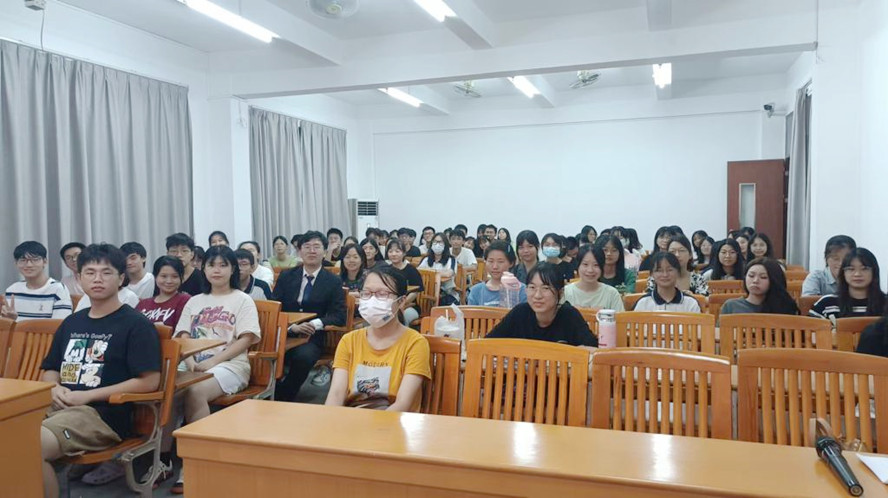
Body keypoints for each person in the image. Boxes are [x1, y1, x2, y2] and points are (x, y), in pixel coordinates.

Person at [39, 243, 161, 498]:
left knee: (30, 445)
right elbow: (50, 368)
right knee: (10, 430)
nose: (97, 279)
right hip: (59, 406)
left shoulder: (136, 325)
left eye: (106, 272)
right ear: (80, 278)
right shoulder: (73, 322)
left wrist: (88, 395)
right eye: (90, 272)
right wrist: (54, 387)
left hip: (101, 416)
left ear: (121, 278)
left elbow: (149, 381)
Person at [172, 245, 261, 493]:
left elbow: (246, 339)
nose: (217, 270)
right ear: (203, 268)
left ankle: (197, 463)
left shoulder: (242, 300)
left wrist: (213, 362)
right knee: (166, 388)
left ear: (233, 269)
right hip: (191, 362)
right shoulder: (194, 301)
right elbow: (182, 336)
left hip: (231, 365)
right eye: (211, 264)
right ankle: (161, 459)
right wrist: (191, 362)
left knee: (195, 390)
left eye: (223, 265)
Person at [325, 266, 431, 411]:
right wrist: (330, 419)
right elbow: (336, 395)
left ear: (401, 301)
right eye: (366, 293)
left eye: (382, 294)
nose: (372, 300)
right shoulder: (349, 340)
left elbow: (403, 404)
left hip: (393, 420)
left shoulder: (415, 343)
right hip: (352, 418)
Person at [273, 231, 347, 401]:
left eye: (316, 247)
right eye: (307, 247)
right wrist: (291, 327)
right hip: (284, 333)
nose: (312, 251)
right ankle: (269, 390)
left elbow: (339, 315)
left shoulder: (333, 281)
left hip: (311, 337)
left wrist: (315, 323)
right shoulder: (286, 276)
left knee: (304, 356)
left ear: (325, 251)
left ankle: (283, 396)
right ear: (299, 251)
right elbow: (275, 307)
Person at [486, 263, 597, 347]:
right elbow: (487, 342)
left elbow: (593, 348)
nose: (537, 295)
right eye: (532, 287)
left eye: (546, 288)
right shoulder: (520, 313)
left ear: (560, 292)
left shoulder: (570, 315)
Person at [2, 241, 72, 322]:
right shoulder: (12, 290)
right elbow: (6, 325)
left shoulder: (58, 289)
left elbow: (60, 325)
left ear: (45, 261)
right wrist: (9, 320)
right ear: (16, 263)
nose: (29, 265)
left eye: (35, 260)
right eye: (23, 260)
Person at [809, 248, 885, 321]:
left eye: (864, 269)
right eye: (851, 269)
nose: (857, 274)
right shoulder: (826, 303)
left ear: (874, 272)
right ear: (843, 273)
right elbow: (809, 329)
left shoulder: (885, 303)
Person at [720, 258, 799, 316]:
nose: (755, 281)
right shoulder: (731, 305)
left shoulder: (784, 307)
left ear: (774, 281)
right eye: (751, 276)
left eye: (763, 277)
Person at [633, 253, 702, 312]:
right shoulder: (643, 303)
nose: (665, 275)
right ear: (652, 274)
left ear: (678, 272)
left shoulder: (691, 303)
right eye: (659, 271)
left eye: (670, 270)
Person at [562, 245, 624, 310]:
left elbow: (620, 316)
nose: (590, 270)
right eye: (585, 264)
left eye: (596, 265)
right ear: (578, 265)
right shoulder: (566, 293)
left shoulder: (612, 294)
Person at [136, 256, 191, 328]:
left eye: (174, 276)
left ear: (181, 278)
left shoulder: (186, 301)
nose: (169, 281)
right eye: (164, 276)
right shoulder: (142, 304)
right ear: (155, 277)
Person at [467, 241, 527, 307]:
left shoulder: (522, 290)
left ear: (511, 263)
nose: (495, 266)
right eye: (491, 261)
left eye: (500, 262)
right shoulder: (476, 291)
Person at [384, 240, 423, 325]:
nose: (393, 254)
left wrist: (401, 304)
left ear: (404, 253)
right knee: (381, 318)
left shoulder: (411, 270)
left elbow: (415, 292)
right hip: (389, 307)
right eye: (390, 251)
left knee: (402, 317)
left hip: (409, 306)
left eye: (397, 251)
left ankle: (403, 334)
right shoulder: (386, 271)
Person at [418, 233, 459, 305]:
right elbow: (418, 271)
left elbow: (449, 273)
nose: (437, 245)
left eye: (440, 242)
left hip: (445, 293)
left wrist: (430, 273)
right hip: (427, 290)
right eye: (435, 242)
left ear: (445, 245)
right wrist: (436, 273)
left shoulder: (451, 259)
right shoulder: (426, 259)